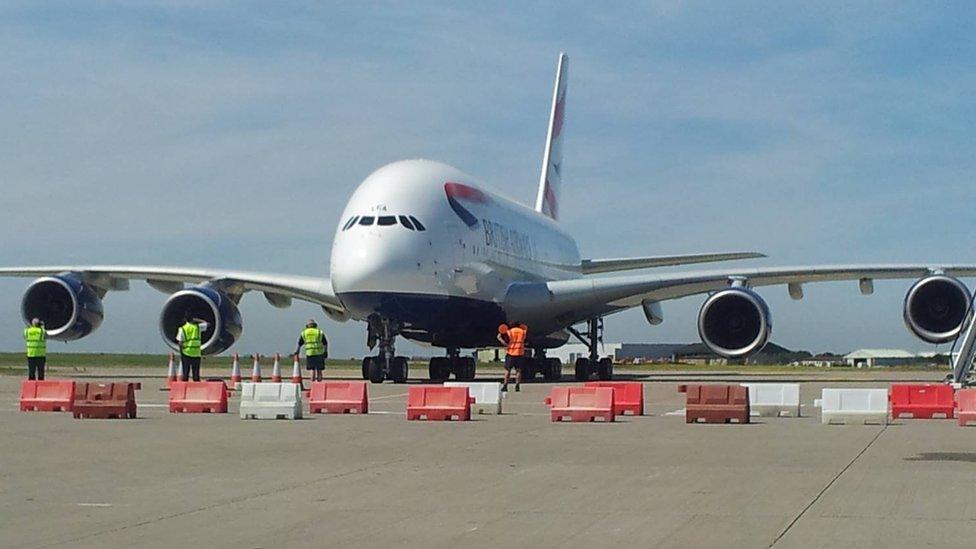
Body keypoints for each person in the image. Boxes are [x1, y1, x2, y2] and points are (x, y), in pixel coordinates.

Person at [175, 314, 207, 382]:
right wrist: (198, 320)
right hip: (196, 353)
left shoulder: (182, 329)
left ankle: (185, 389)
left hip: (186, 353)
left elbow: (180, 343)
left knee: (185, 374)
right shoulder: (198, 327)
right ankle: (196, 389)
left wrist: (181, 353)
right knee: (196, 375)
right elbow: (206, 324)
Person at [497, 322, 527, 392]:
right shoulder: (523, 332)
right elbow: (524, 340)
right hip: (520, 353)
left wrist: (499, 339)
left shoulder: (509, 332)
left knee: (507, 371)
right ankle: (517, 386)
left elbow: (506, 343)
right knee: (518, 371)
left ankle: (505, 385)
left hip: (511, 353)